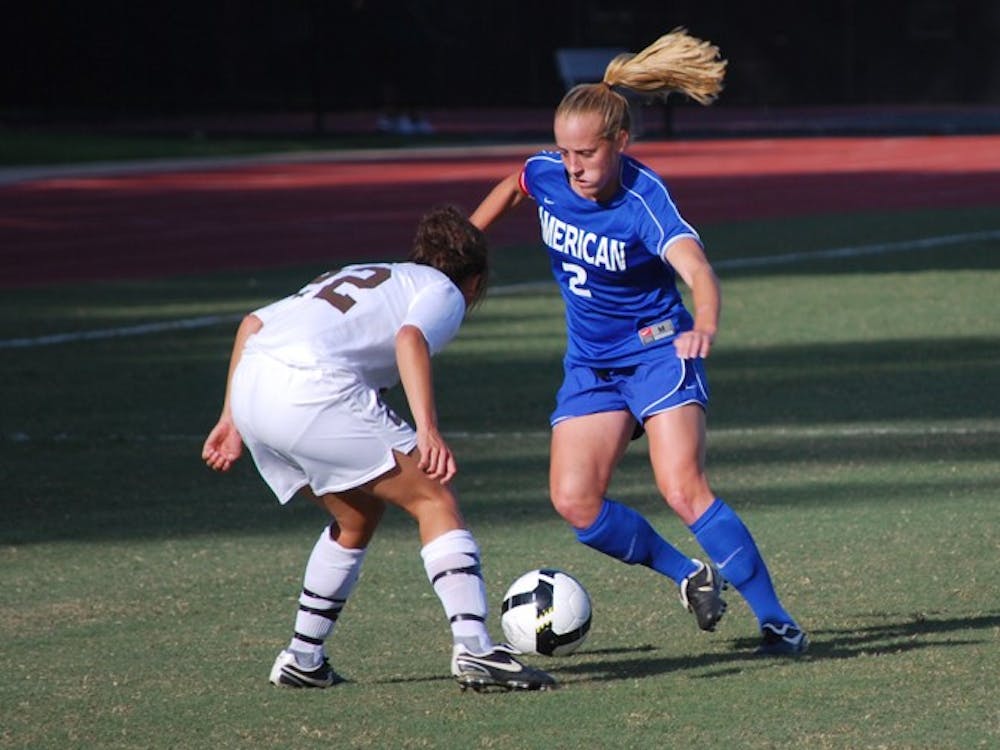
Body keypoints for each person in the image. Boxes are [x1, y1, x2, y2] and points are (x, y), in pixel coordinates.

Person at [469, 29, 807, 655]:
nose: (573, 167)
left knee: (682, 487)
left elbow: (698, 270)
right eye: (566, 152)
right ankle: (688, 576)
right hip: (592, 368)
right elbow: (516, 183)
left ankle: (777, 621)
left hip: (659, 354)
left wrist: (703, 323)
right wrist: (469, 239)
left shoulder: (643, 202)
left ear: (620, 143)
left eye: (587, 155)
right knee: (575, 503)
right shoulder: (550, 174)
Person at [201, 205, 555, 691]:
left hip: (253, 388)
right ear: (474, 281)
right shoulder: (445, 290)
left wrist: (228, 418)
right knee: (434, 497)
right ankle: (475, 648)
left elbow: (252, 323)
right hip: (311, 388)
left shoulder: (373, 273)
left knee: (357, 516)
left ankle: (303, 657)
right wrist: (427, 430)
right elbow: (410, 340)